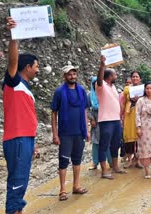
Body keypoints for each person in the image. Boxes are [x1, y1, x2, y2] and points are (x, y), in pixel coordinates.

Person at [2, 17, 39, 214]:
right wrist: (14, 37)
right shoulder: (13, 82)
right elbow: (12, 61)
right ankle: (14, 210)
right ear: (27, 67)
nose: (38, 69)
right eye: (36, 66)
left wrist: (33, 142)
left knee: (21, 178)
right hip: (17, 139)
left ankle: (17, 210)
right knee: (17, 181)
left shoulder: (24, 88)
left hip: (25, 139)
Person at [51, 65, 89, 201]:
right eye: (69, 74)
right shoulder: (59, 92)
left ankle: (76, 185)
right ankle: (62, 190)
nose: (72, 76)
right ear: (64, 76)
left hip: (79, 131)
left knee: (77, 159)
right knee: (63, 161)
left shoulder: (81, 90)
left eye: (74, 74)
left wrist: (87, 129)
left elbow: (85, 110)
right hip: (65, 132)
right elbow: (54, 113)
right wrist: (55, 134)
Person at [96, 56, 126, 179]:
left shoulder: (113, 87)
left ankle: (115, 167)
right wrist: (102, 66)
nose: (116, 76)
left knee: (115, 144)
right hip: (106, 121)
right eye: (115, 74)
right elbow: (99, 79)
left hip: (116, 120)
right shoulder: (100, 85)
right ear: (108, 76)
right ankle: (104, 171)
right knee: (103, 145)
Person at [87, 77, 112, 170]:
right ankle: (95, 162)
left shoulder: (106, 94)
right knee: (96, 143)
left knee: (108, 142)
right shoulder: (89, 95)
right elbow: (86, 109)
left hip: (106, 120)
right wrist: (91, 119)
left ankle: (111, 162)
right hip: (96, 122)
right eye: (95, 83)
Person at [121, 71, 143, 168]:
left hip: (140, 116)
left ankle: (137, 160)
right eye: (133, 77)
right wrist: (121, 115)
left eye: (136, 77)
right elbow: (123, 102)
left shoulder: (143, 89)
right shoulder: (127, 89)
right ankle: (129, 159)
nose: (134, 78)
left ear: (140, 79)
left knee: (139, 137)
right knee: (128, 137)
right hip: (129, 115)